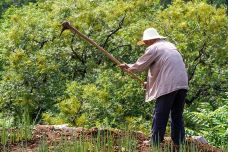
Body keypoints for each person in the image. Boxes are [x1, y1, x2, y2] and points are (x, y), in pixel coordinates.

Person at [119, 28, 188, 146]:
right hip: (182, 82)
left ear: (151, 39)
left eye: (145, 41)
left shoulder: (153, 48)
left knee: (160, 112)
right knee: (177, 113)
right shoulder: (169, 45)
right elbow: (162, 69)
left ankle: (155, 141)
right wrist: (149, 83)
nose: (145, 43)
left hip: (169, 83)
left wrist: (128, 67)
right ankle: (179, 141)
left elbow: (140, 66)